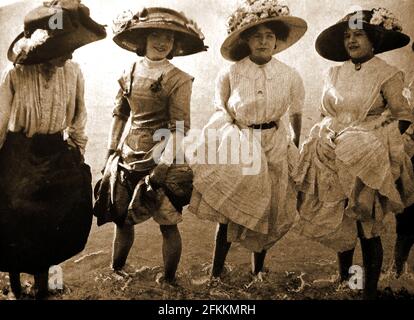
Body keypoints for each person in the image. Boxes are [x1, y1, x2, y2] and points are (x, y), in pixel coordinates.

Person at [294, 8, 414, 299]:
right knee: (342, 218)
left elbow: (402, 115)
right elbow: (326, 112)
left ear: (373, 39)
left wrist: (377, 144)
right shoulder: (334, 73)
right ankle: (347, 283)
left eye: (358, 34)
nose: (351, 40)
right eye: (347, 36)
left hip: (369, 155)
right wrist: (326, 131)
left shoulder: (388, 74)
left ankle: (369, 291)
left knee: (366, 223)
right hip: (334, 149)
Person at [187, 0, 307, 279]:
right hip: (240, 140)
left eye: (269, 36)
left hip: (275, 142)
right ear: (246, 40)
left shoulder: (290, 75)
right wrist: (229, 142)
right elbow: (221, 109)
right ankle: (216, 272)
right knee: (231, 206)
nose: (263, 41)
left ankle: (258, 272)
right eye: (257, 36)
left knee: (269, 207)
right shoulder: (231, 72)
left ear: (277, 41)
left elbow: (297, 112)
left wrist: (294, 144)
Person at [0, 0, 106, 299]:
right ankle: (17, 286)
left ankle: (43, 284)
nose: (69, 54)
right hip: (19, 152)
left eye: (71, 47)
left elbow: (79, 115)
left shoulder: (72, 72)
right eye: (63, 48)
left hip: (55, 149)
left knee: (51, 220)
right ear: (42, 50)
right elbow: (1, 118)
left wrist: (76, 148)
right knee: (14, 219)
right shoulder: (15, 74)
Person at [95, 7, 206, 285]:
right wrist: (111, 151)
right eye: (155, 35)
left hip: (164, 156)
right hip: (128, 154)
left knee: (168, 224)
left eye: (168, 37)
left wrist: (164, 165)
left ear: (175, 44)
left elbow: (180, 127)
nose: (162, 42)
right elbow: (120, 113)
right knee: (122, 221)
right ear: (142, 40)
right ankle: (116, 273)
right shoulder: (128, 71)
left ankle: (169, 280)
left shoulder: (179, 78)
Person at [393, 41, 414, 277]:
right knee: (408, 215)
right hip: (411, 151)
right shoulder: (409, 85)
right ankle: (398, 270)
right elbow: (403, 119)